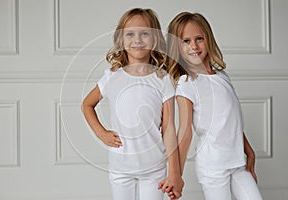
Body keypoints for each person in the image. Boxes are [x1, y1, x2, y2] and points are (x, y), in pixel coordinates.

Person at [82, 8, 183, 200]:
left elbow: (169, 128)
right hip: (121, 168)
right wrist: (101, 133)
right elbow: (87, 105)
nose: (137, 39)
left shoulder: (163, 80)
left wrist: (175, 172)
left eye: (144, 33)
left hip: (154, 167)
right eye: (130, 34)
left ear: (154, 40)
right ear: (121, 39)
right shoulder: (111, 77)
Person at [164, 12, 263, 199]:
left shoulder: (223, 77)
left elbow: (231, 121)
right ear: (177, 47)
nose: (194, 46)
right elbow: (185, 133)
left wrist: (249, 151)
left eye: (199, 38)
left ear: (208, 39)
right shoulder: (186, 83)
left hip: (237, 163)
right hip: (213, 167)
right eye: (186, 41)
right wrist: (176, 175)